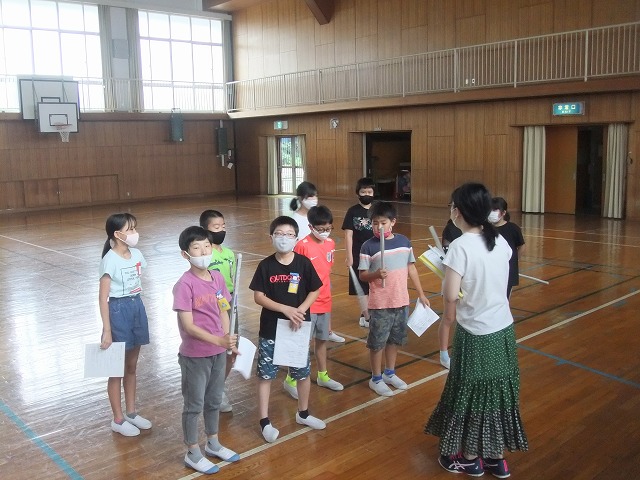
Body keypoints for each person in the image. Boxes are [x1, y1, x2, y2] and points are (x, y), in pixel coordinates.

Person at [425, 183, 528, 478]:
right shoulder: (500, 240)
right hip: (503, 328)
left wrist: (445, 271)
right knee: (497, 390)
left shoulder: (460, 247)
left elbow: (450, 294)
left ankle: (470, 458)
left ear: (458, 211)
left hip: (476, 332)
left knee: (472, 392)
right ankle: (496, 458)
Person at [249, 216, 327, 443]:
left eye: (289, 234)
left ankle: (303, 413)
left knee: (302, 373)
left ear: (296, 238)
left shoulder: (303, 263)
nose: (284, 238)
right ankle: (264, 421)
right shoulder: (266, 265)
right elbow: (258, 296)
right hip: (271, 329)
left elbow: (315, 289)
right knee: (266, 376)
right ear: (271, 237)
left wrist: (300, 310)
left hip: (297, 328)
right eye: (279, 234)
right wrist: (285, 309)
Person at [173, 226, 240, 474]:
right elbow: (188, 326)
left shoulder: (217, 278)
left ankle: (213, 442)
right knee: (194, 405)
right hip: (195, 356)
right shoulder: (184, 285)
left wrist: (228, 340)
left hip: (218, 353)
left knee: (213, 400)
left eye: (207, 246)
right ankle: (192, 451)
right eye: (196, 247)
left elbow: (223, 310)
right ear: (185, 254)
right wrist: (218, 341)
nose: (203, 251)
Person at [359, 201, 430, 397]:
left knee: (394, 340)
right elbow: (362, 275)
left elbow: (411, 268)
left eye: (383, 223)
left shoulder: (404, 242)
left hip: (401, 300)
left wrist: (421, 293)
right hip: (380, 303)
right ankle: (376, 378)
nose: (378, 227)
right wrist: (375, 275)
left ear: (393, 222)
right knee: (377, 343)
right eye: (375, 223)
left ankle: (389, 373)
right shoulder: (368, 246)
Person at [98, 213, 152, 437]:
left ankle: (131, 413)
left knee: (131, 366)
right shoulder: (109, 260)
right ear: (117, 234)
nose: (134, 233)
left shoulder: (137, 254)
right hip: (118, 310)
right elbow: (103, 298)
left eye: (134, 228)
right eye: (130, 229)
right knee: (115, 370)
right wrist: (107, 331)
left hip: (136, 306)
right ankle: (118, 419)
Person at [294, 205, 344, 392]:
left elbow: (326, 271)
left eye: (328, 228)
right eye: (321, 229)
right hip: (307, 304)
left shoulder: (330, 244)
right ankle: (292, 380)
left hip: (325, 301)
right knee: (302, 343)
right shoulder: (302, 246)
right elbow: (295, 276)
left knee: (322, 340)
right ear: (311, 227)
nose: (325, 232)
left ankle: (323, 375)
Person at [290, 182, 343, 341]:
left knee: (324, 305)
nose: (313, 199)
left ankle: (327, 331)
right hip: (306, 280)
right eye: (310, 196)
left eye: (315, 196)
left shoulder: (328, 239)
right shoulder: (296, 222)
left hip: (322, 277)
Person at [200, 209, 237, 413]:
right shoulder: (204, 255)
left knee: (231, 349)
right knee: (216, 349)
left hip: (228, 304)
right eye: (216, 227)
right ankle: (211, 388)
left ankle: (218, 387)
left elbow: (232, 281)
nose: (221, 230)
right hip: (211, 305)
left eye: (223, 226)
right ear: (205, 230)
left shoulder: (229, 254)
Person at [342, 177, 375, 327]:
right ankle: (366, 316)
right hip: (358, 254)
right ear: (358, 193)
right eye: (363, 192)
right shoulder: (353, 211)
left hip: (375, 253)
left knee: (374, 285)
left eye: (369, 192)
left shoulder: (377, 210)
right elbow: (348, 235)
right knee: (362, 287)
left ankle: (371, 312)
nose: (366, 194)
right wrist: (349, 256)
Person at [490, 197, 525, 299]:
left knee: (503, 299)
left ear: (503, 212)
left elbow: (521, 246)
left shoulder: (513, 228)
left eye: (495, 210)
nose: (491, 212)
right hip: (491, 271)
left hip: (507, 272)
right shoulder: (485, 229)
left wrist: (514, 260)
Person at [439, 218, 462, 369]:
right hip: (453, 278)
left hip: (469, 281)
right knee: (449, 317)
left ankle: (462, 351)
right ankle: (444, 354)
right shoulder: (450, 229)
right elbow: (447, 253)